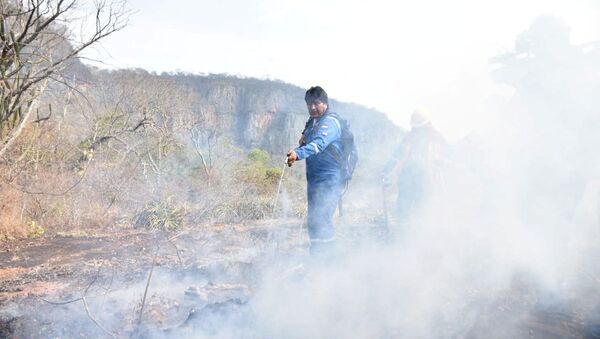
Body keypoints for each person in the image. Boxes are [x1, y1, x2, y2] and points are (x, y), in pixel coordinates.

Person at [286, 86, 345, 257]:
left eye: (316, 103)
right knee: (313, 220)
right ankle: (316, 258)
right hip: (314, 179)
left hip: (330, 179)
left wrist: (298, 154)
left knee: (323, 219)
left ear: (325, 103)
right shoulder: (312, 123)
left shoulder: (330, 123)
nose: (312, 108)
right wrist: (296, 151)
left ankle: (327, 262)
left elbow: (318, 144)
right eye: (309, 104)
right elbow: (307, 143)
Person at [383, 108, 447, 237]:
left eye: (421, 127)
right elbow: (397, 154)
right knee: (403, 205)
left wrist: (442, 162)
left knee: (421, 206)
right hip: (407, 176)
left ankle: (418, 236)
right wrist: (386, 170)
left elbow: (446, 155)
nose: (419, 130)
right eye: (417, 127)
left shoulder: (437, 138)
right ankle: (403, 235)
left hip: (425, 177)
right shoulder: (409, 137)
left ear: (427, 124)